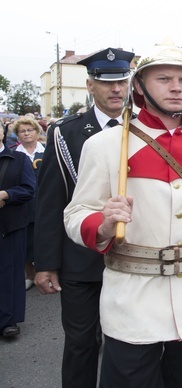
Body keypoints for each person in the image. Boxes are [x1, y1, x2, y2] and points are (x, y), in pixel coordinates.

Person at [63, 43, 182, 387]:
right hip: (132, 300)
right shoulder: (105, 145)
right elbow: (76, 214)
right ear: (139, 86)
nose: (176, 86)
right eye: (164, 78)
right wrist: (103, 223)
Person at [34, 47, 134, 388]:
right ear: (90, 86)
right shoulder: (66, 133)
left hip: (133, 257)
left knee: (131, 346)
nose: (116, 89)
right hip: (81, 260)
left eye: (122, 81)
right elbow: (50, 202)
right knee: (81, 344)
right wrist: (46, 263)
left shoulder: (144, 131)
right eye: (107, 83)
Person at [0, 123, 36, 338]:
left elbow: (29, 189)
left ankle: (8, 320)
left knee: (10, 273)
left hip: (11, 225)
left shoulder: (19, 159)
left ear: (3, 133)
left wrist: (6, 195)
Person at [12, 117, 45, 290]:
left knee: (46, 239)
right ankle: (30, 274)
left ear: (37, 132)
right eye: (22, 131)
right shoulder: (13, 155)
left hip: (46, 203)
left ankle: (48, 272)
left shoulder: (47, 151)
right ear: (17, 135)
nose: (26, 134)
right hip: (24, 205)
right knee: (26, 242)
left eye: (29, 130)